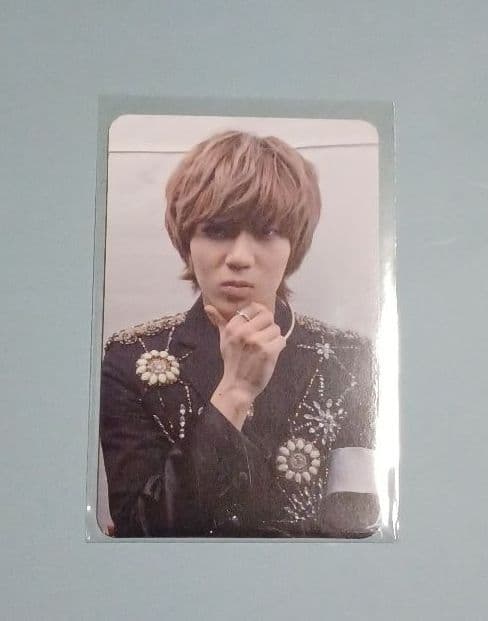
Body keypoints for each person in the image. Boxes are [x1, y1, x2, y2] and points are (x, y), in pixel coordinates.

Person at [100, 130, 379, 538]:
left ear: (294, 243)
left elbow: (358, 525)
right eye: (217, 231)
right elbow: (139, 530)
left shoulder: (348, 358)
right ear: (187, 239)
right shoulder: (129, 359)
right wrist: (234, 392)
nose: (239, 258)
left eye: (267, 232)